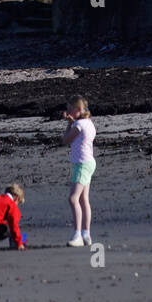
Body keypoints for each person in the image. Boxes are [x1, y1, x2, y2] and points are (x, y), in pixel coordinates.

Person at [62, 95, 95, 247]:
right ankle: (86, 234)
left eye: (70, 109)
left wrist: (69, 124)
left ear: (79, 109)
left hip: (82, 164)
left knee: (73, 199)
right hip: (87, 162)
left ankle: (78, 235)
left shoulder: (79, 125)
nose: (68, 111)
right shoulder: (88, 123)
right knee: (83, 200)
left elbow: (66, 140)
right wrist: (71, 121)